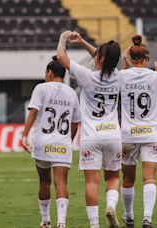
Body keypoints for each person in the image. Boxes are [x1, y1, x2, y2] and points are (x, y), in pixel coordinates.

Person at [57, 31, 122, 228]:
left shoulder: (88, 76)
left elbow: (61, 57)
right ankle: (111, 206)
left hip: (91, 136)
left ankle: (94, 225)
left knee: (92, 182)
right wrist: (84, 42)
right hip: (113, 135)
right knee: (112, 177)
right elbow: (104, 57)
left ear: (100, 58)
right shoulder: (118, 76)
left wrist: (63, 40)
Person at [120, 35, 157, 228]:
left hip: (128, 134)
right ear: (147, 59)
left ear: (130, 58)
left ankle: (128, 217)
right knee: (149, 178)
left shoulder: (122, 75)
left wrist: (125, 66)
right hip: (151, 133)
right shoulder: (155, 76)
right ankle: (147, 219)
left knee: (127, 179)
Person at [21, 56, 81, 228]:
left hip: (42, 142)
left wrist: (24, 134)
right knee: (61, 182)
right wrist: (67, 141)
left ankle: (46, 220)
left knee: (44, 181)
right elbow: (75, 124)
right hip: (62, 143)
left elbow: (33, 112)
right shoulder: (71, 93)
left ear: (50, 72)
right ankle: (61, 223)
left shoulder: (41, 88)